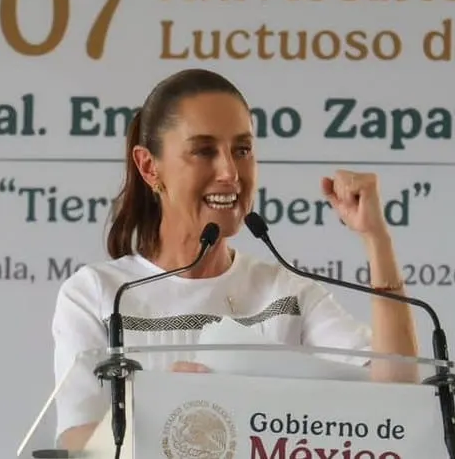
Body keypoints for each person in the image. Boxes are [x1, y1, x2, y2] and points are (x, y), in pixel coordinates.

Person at [50, 68, 420, 450]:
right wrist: (161, 407)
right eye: (204, 151)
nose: (230, 172)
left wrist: (376, 238)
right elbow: (77, 442)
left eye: (242, 150)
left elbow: (398, 397)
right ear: (149, 167)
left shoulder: (287, 293)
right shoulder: (97, 294)